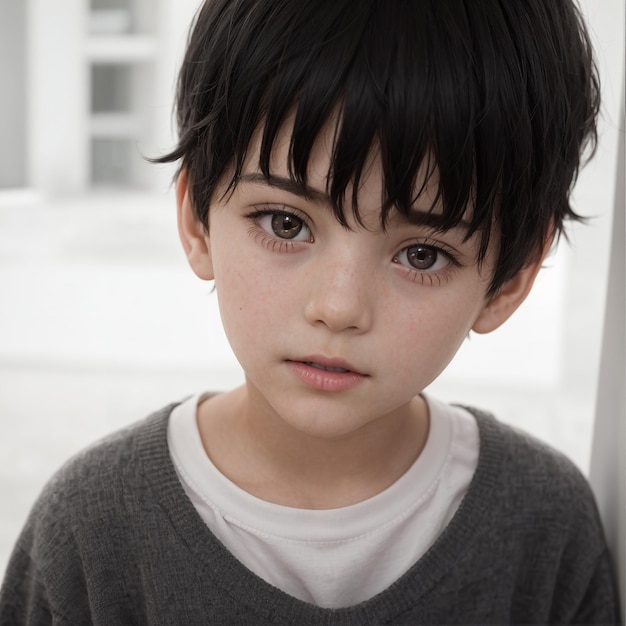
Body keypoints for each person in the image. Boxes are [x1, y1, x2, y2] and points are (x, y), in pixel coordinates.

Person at [0, 0, 621, 623]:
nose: (339, 308)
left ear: (510, 278)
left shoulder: (543, 530)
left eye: (424, 256)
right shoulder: (93, 530)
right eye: (286, 223)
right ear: (196, 218)